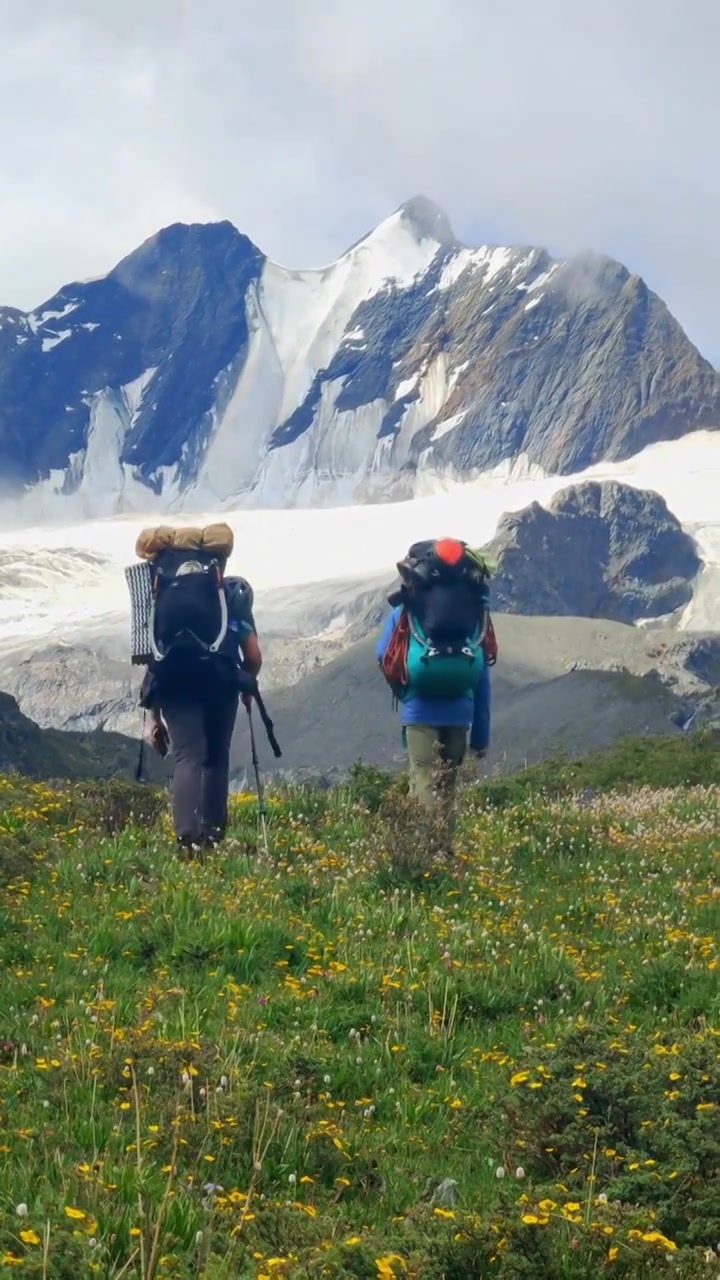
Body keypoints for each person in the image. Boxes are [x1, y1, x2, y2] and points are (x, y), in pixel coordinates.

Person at [135, 524, 263, 854]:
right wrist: (248, 683)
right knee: (215, 757)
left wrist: (154, 715)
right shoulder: (228, 594)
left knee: (187, 756)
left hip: (174, 681)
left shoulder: (158, 594)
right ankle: (213, 835)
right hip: (219, 680)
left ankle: (186, 838)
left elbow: (152, 658)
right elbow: (252, 655)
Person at [376, 537, 493, 844]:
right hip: (460, 712)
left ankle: (425, 848)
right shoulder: (474, 612)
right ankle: (446, 847)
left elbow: (383, 654)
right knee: (449, 784)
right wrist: (481, 736)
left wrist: (404, 693)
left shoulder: (407, 610)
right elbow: (482, 674)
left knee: (422, 775)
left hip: (419, 709)